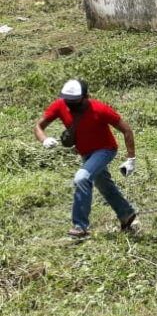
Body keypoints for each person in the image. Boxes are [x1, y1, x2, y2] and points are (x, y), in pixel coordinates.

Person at [34, 79, 139, 239]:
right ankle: (127, 215)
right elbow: (39, 126)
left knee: (82, 178)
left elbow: (126, 130)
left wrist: (131, 158)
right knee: (104, 185)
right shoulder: (60, 105)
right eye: (68, 101)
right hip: (85, 153)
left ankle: (80, 227)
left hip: (105, 150)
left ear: (86, 97)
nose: (70, 106)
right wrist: (44, 139)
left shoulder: (100, 109)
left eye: (75, 102)